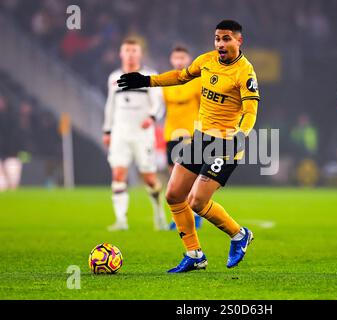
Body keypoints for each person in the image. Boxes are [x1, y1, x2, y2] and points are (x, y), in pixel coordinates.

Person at [118, 20, 260, 272]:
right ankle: (194, 254)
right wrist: (147, 80)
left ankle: (239, 235)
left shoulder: (245, 72)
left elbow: (250, 111)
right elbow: (181, 76)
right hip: (200, 139)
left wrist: (241, 134)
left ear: (239, 41)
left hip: (226, 143)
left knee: (196, 201)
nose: (220, 44)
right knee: (173, 194)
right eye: (217, 38)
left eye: (226, 38)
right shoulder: (206, 61)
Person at [103, 38, 168, 232]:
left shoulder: (148, 75)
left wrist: (152, 117)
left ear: (140, 54)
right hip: (120, 133)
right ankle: (121, 220)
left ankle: (159, 213)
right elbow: (110, 106)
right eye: (127, 50)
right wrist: (107, 130)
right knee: (118, 173)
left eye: (134, 50)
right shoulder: (114, 77)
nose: (130, 54)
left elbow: (159, 102)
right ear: (121, 54)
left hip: (142, 134)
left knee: (149, 177)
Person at [162, 45, 203, 230]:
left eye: (182, 57)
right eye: (176, 57)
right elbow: (159, 106)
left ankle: (194, 214)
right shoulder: (166, 81)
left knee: (188, 177)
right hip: (171, 133)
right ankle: (180, 216)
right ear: (171, 59)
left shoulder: (197, 80)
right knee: (173, 178)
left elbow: (204, 106)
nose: (179, 61)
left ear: (188, 59)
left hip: (191, 133)